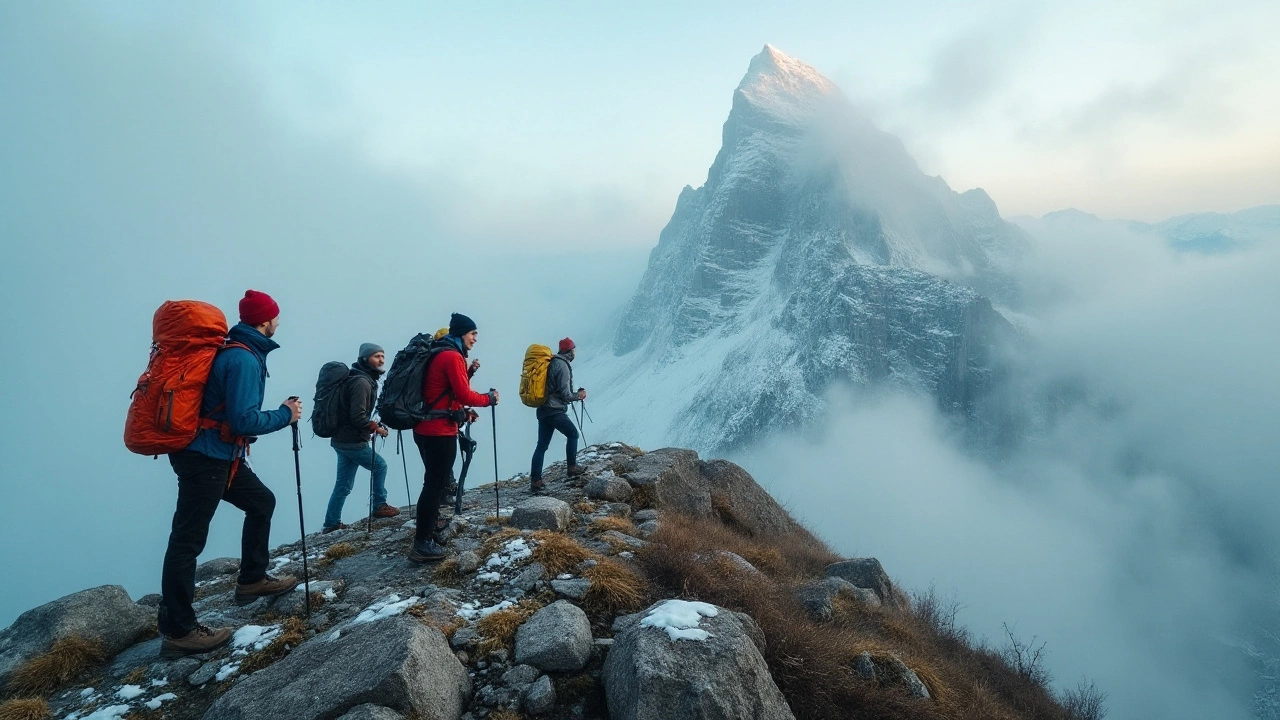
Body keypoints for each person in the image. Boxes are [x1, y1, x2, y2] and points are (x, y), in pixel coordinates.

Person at [158, 290, 301, 659]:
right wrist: (286, 414)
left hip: (220, 455)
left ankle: (252, 580)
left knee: (262, 502)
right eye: (275, 316)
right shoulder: (242, 359)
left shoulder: (239, 349)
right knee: (188, 540)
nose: (278, 322)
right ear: (264, 321)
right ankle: (179, 630)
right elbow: (243, 420)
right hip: (206, 458)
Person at [408, 313, 494, 563]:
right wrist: (489, 398)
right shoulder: (452, 356)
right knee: (435, 486)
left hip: (424, 427)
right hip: (439, 432)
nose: (475, 338)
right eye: (473, 333)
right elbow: (465, 393)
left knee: (433, 484)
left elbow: (445, 395)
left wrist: (462, 413)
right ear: (460, 334)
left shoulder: (438, 353)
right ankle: (422, 543)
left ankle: (429, 532)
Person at [322, 343, 395, 533]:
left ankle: (331, 523)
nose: (381, 360)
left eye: (382, 356)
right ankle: (379, 505)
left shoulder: (358, 378)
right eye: (377, 356)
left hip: (341, 439)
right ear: (365, 358)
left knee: (343, 484)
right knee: (380, 466)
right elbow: (357, 416)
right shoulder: (361, 382)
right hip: (352, 440)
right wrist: (376, 428)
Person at [529, 337, 586, 493]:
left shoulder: (551, 362)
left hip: (543, 410)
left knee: (542, 445)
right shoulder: (563, 366)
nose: (575, 352)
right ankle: (572, 468)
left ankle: (535, 480)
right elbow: (566, 394)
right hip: (554, 410)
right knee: (573, 434)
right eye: (574, 349)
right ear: (570, 351)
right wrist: (578, 395)